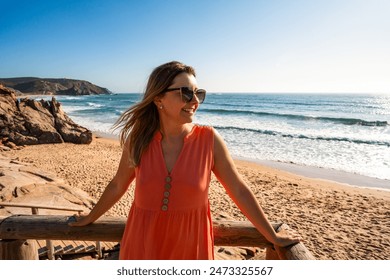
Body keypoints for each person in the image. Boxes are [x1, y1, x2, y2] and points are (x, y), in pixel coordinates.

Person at [69, 61, 301, 259]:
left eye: (198, 93)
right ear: (158, 97)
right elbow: (118, 184)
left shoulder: (209, 140)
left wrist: (272, 234)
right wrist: (91, 217)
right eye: (186, 93)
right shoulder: (137, 140)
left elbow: (238, 189)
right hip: (143, 243)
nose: (195, 101)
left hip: (192, 246)